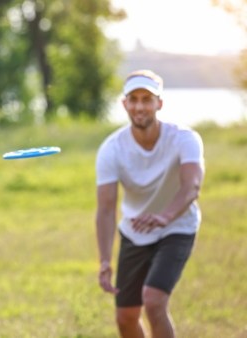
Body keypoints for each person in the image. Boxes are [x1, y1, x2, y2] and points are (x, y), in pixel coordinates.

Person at [95, 70, 205, 338]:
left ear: (159, 104)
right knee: (126, 317)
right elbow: (106, 209)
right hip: (135, 231)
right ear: (124, 105)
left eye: (147, 99)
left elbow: (192, 186)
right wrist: (105, 260)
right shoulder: (112, 149)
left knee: (154, 302)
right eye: (133, 99)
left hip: (177, 227)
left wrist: (165, 217)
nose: (140, 106)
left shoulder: (184, 138)